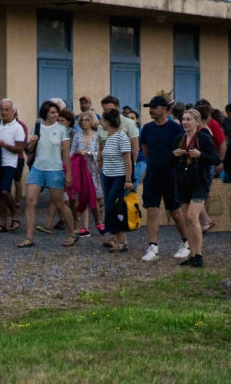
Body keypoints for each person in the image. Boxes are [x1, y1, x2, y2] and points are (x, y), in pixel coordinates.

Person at [18, 101, 78, 248]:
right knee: (30, 201)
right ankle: (29, 237)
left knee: (59, 204)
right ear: (45, 113)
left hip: (55, 170)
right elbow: (30, 150)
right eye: (52, 112)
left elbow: (66, 153)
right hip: (37, 169)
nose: (56, 115)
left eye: (56, 112)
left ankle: (72, 233)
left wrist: (68, 174)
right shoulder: (36, 127)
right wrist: (32, 142)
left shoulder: (62, 129)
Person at [138, 96, 189, 263]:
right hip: (152, 175)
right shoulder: (146, 128)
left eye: (154, 107)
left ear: (163, 109)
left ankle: (186, 243)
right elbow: (146, 150)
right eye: (149, 107)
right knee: (152, 210)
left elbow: (183, 150)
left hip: (171, 175)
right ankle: (153, 247)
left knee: (175, 211)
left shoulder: (175, 128)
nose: (150, 110)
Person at [171, 109, 221, 267]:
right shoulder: (180, 139)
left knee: (193, 216)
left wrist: (200, 155)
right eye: (183, 119)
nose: (185, 122)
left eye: (188, 119)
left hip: (200, 182)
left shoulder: (204, 138)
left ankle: (198, 254)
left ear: (196, 122)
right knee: (187, 219)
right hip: (184, 182)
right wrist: (174, 155)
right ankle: (192, 254)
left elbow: (215, 159)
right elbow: (170, 163)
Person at [99, 109, 133, 252]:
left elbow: (127, 160)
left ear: (108, 121)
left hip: (119, 177)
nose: (100, 122)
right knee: (111, 206)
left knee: (113, 205)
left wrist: (128, 179)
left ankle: (120, 240)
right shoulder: (108, 138)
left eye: (103, 119)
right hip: (108, 175)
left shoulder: (121, 137)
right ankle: (120, 239)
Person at [0, 98, 25, 233]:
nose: (4, 113)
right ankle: (3, 222)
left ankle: (15, 214)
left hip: (10, 163)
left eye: (7, 110)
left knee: (5, 190)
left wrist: (5, 146)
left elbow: (20, 149)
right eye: (2, 110)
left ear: (12, 111)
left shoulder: (18, 127)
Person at [194, 101, 226, 233]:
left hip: (206, 164)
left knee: (197, 193)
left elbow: (222, 143)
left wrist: (220, 161)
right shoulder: (201, 127)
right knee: (197, 193)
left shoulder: (209, 127)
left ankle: (206, 220)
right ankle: (203, 222)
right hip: (201, 164)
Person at [70, 110, 101, 236]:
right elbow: (72, 152)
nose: (84, 123)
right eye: (82, 120)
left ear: (92, 121)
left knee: (95, 199)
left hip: (93, 170)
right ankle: (85, 228)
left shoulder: (98, 136)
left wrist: (87, 153)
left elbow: (100, 154)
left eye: (87, 120)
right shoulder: (77, 136)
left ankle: (99, 222)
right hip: (81, 171)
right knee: (82, 198)